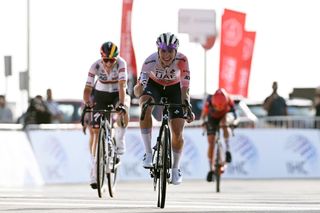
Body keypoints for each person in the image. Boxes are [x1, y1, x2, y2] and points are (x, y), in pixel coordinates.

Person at [133, 32, 195, 185]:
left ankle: (175, 169)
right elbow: (140, 88)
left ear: (176, 51)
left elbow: (184, 88)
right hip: (155, 86)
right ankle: (148, 153)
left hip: (174, 89)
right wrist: (139, 92)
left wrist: (186, 106)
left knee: (178, 131)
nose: (166, 54)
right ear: (158, 50)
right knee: (145, 106)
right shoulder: (150, 61)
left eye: (170, 50)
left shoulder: (182, 60)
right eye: (163, 50)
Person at [83, 41, 130, 189]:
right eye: (106, 60)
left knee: (125, 106)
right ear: (101, 58)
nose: (109, 63)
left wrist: (121, 104)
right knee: (96, 132)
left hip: (117, 93)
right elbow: (87, 89)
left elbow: (122, 86)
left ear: (116, 58)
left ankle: (120, 139)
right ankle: (94, 171)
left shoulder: (122, 64)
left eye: (112, 60)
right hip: (101, 95)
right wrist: (87, 103)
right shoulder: (95, 66)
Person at [200, 88, 238, 182]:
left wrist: (234, 122)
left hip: (224, 116)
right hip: (212, 118)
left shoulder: (229, 99)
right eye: (217, 107)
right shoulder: (209, 101)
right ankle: (211, 169)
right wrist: (203, 123)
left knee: (224, 123)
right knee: (211, 142)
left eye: (220, 107)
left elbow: (235, 115)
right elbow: (203, 116)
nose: (218, 108)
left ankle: (227, 149)